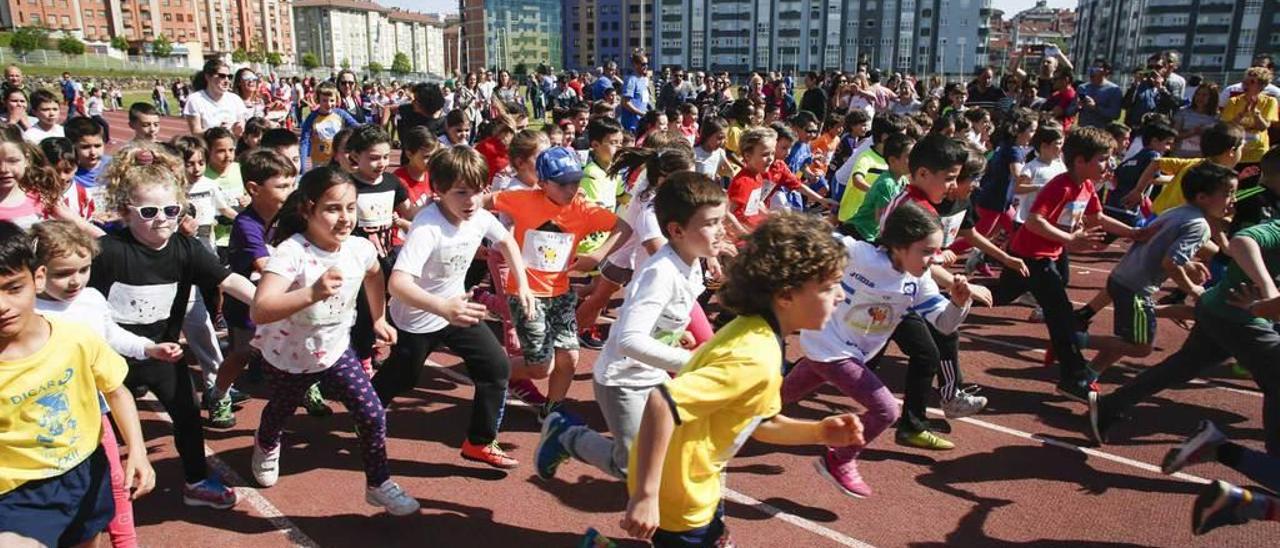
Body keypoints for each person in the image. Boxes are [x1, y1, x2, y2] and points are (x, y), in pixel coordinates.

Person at [619, 212, 864, 545]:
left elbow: (758, 421)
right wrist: (646, 496)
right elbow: (663, 401)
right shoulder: (755, 356)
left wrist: (819, 432)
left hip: (697, 482)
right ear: (786, 295)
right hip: (678, 493)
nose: (841, 296)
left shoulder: (759, 331)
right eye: (828, 287)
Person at [88, 143, 256, 509]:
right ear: (125, 213)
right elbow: (85, 304)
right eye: (148, 211)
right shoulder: (110, 252)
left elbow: (230, 283)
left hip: (165, 353)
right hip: (110, 357)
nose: (161, 218)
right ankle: (104, 489)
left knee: (187, 416)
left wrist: (270, 304)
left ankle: (195, 480)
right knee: (101, 428)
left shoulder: (186, 248)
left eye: (170, 209)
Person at [247, 166, 418, 515]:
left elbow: (374, 275)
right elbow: (260, 310)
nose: (345, 218)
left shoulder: (358, 249)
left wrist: (379, 317)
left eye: (351, 208)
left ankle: (378, 483)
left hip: (336, 350)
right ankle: (266, 443)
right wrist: (312, 292)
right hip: (288, 354)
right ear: (307, 209)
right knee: (280, 410)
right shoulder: (291, 253)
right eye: (333, 208)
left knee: (371, 412)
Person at [536, 171, 726, 482]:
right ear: (676, 230)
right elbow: (629, 341)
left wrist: (677, 333)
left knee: (665, 455)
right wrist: (694, 362)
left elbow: (660, 318)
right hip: (622, 380)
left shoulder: (690, 266)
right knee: (632, 467)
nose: (721, 232)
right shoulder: (661, 273)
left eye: (721, 220)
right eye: (710, 224)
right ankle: (566, 436)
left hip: (651, 375)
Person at [794, 202, 974, 497]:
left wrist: (958, 302)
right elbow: (818, 234)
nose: (934, 259)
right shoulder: (861, 255)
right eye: (926, 251)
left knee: (775, 399)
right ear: (900, 245)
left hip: (843, 352)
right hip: (831, 347)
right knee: (887, 410)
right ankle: (838, 459)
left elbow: (944, 325)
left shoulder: (919, 282)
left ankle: (734, 415)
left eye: (937, 251)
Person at [372, 146, 533, 469]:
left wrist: (523, 284)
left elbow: (506, 242)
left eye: (478, 191)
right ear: (439, 190)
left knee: (496, 367)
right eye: (461, 193)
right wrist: (442, 308)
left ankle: (479, 442)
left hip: (456, 310)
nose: (471, 201)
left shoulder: (478, 217)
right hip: (417, 319)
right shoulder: (428, 228)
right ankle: (366, 408)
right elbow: (398, 285)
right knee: (402, 379)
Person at [0, 221, 156, 548]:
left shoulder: (75, 338)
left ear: (36, 278)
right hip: (17, 490)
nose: (3, 305)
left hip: (86, 471)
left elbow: (116, 390)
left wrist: (138, 451)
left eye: (14, 288)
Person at [1089, 216, 1280, 457]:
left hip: (1224, 311)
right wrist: (1266, 293)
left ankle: (1110, 405)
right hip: (1234, 315)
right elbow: (1242, 241)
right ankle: (1273, 463)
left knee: (1183, 366)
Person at [990, 127, 1140, 403]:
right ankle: (1073, 376)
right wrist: (1070, 239)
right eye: (1103, 159)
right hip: (1031, 256)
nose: (1108, 165)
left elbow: (1099, 218)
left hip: (1047, 255)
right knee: (1059, 312)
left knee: (1001, 294)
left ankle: (949, 297)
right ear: (1080, 161)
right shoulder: (1061, 185)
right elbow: (1035, 220)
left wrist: (1134, 233)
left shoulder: (1085, 187)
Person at [486, 146, 632, 420]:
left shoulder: (582, 208)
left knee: (570, 357)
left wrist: (599, 254)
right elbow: (485, 202)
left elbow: (623, 228)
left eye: (576, 181)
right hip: (526, 293)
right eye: (563, 183)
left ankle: (551, 411)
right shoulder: (523, 200)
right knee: (541, 367)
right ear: (543, 184)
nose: (572, 188)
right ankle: (490, 367)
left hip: (561, 293)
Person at [1085, 163, 1235, 381]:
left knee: (1129, 336)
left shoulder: (1178, 211)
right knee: (1140, 347)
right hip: (1136, 287)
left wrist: (1190, 265)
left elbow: (1160, 245)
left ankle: (1089, 373)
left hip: (1124, 278)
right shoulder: (1198, 225)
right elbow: (1171, 263)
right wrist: (1192, 289)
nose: (1234, 200)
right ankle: (1073, 339)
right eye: (1228, 194)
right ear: (1203, 197)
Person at [204, 149, 299, 428]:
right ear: (254, 189)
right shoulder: (246, 224)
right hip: (248, 301)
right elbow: (264, 264)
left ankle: (306, 386)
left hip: (281, 297)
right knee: (242, 353)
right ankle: (219, 394)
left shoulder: (289, 216)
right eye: (282, 185)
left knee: (296, 342)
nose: (290, 190)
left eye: (292, 184)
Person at [1220, 66, 1279, 169]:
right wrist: (1242, 114)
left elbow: (1263, 127)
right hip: (1234, 153)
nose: (1245, 84)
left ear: (1262, 85)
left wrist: (1255, 112)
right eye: (1245, 81)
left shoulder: (1270, 101)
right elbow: (1227, 126)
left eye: (1251, 82)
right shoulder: (1234, 101)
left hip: (1257, 154)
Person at [299, 82, 359, 172]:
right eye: (324, 100)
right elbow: (304, 141)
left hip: (338, 160)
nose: (328, 104)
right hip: (319, 161)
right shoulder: (312, 118)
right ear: (318, 100)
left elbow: (357, 126)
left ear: (336, 100)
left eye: (331, 100)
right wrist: (303, 166)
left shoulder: (341, 114)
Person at [183, 59, 248, 136]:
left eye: (229, 77)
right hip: (209, 146)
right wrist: (217, 131)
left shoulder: (235, 99)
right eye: (222, 76)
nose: (227, 80)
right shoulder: (195, 100)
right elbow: (195, 132)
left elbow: (241, 127)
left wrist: (238, 129)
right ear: (208, 77)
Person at [1174, 83, 1222, 158]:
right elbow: (1173, 135)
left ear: (1213, 97)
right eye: (1198, 94)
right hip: (1180, 157)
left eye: (1204, 95)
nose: (1200, 97)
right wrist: (1192, 132)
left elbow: (1218, 141)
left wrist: (1206, 133)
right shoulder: (1183, 112)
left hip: (1202, 159)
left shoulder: (1218, 117)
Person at [1077, 62, 1123, 129]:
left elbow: (1115, 115)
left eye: (1096, 68)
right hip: (1083, 130)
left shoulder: (1114, 90)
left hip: (1102, 132)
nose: (1092, 71)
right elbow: (1070, 111)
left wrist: (1095, 107)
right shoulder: (1082, 88)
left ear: (1105, 72)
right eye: (1090, 68)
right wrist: (1078, 106)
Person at [619, 52, 652, 134]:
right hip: (631, 125)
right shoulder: (631, 80)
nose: (646, 66)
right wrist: (640, 113)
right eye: (643, 64)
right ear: (635, 64)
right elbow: (625, 103)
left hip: (642, 123)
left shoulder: (643, 80)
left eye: (647, 64)